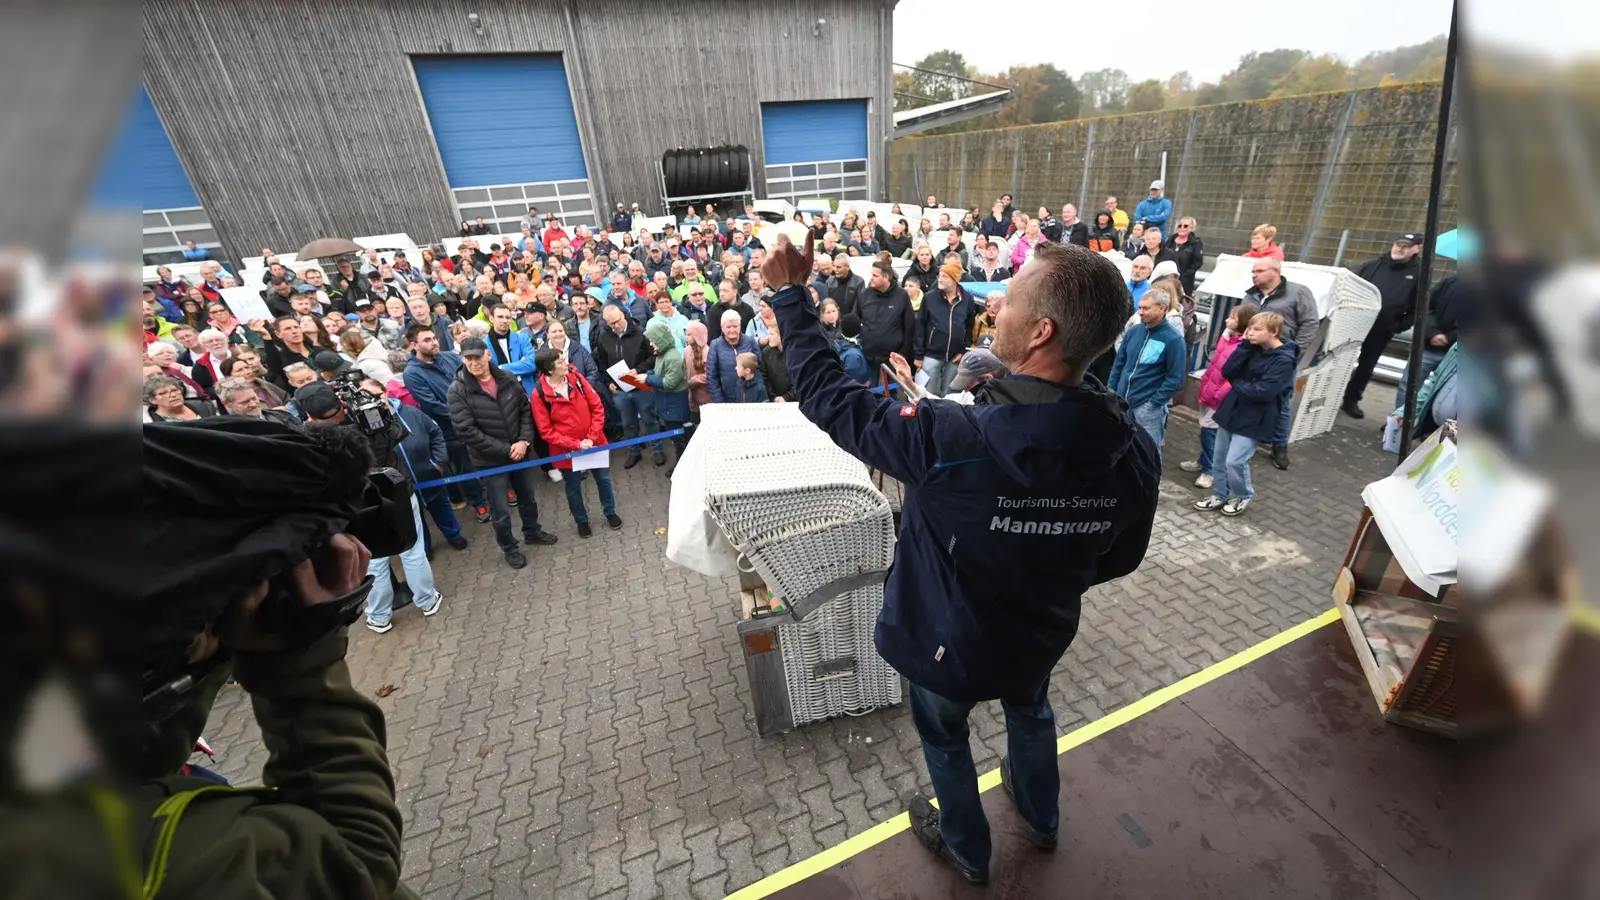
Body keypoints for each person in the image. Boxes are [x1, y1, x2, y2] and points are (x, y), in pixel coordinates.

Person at [762, 235, 1158, 886]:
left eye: (1007, 301)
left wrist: (788, 297)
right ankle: (1042, 818)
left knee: (946, 743)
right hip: (1038, 639)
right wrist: (1047, 569)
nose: (993, 307)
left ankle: (969, 853)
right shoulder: (1134, 448)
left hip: (947, 652)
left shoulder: (950, 437)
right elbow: (1123, 555)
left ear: (1040, 332)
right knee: (1031, 713)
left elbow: (831, 400)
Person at [293, 380, 443, 630]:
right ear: (339, 402)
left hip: (354, 503)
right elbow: (398, 433)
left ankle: (379, 615)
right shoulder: (365, 415)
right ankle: (427, 601)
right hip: (395, 490)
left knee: (373, 560)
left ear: (309, 415)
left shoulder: (307, 439)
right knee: (412, 551)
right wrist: (382, 410)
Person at [446, 337, 559, 569]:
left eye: (478, 356)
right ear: (462, 359)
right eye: (469, 358)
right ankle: (510, 548)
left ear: (487, 355)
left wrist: (524, 440)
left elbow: (525, 410)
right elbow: (467, 431)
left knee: (528, 498)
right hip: (490, 462)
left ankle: (532, 532)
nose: (474, 362)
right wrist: (507, 449)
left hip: (520, 452)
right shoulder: (457, 391)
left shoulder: (506, 378)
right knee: (500, 510)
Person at [1193, 312, 1298, 518]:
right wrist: (1245, 347)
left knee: (1235, 460)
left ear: (1274, 332)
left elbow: (1263, 391)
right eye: (1249, 328)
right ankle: (1220, 494)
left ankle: (1242, 495)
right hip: (1232, 410)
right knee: (1219, 457)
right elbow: (1228, 370)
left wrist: (1237, 383)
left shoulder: (1284, 360)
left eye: (1257, 329)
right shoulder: (1251, 348)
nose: (1250, 333)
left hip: (1255, 417)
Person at [529, 347, 623, 537]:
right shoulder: (539, 394)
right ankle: (581, 520)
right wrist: (576, 445)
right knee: (572, 487)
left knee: (603, 479)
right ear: (549, 370)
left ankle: (610, 512)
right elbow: (546, 431)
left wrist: (592, 436)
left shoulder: (577, 379)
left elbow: (597, 407)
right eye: (560, 362)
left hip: (594, 442)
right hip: (566, 450)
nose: (567, 363)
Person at [404, 324, 490, 523]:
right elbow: (432, 404)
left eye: (434, 338)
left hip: (477, 418)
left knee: (485, 455)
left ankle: (497, 491)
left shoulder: (450, 357)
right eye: (427, 340)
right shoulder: (412, 373)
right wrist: (465, 415)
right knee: (464, 467)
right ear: (414, 345)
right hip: (450, 430)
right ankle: (479, 503)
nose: (434, 342)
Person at [1243, 256, 1320, 469]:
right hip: (1253, 356)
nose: (1254, 275)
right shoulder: (1250, 295)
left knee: (1282, 402)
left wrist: (1294, 351)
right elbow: (1243, 320)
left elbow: (1310, 322)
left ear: (1275, 271)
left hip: (1281, 358)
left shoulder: (1298, 292)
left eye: (1259, 271)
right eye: (1253, 271)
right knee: (1251, 396)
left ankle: (1280, 446)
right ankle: (1248, 438)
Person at [1341, 232, 1424, 419]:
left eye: (1405, 246)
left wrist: (1397, 326)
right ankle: (1329, 395)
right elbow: (1349, 286)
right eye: (1398, 244)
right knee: (1340, 359)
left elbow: (1419, 307)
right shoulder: (1373, 265)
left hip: (1382, 329)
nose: (1399, 248)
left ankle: (1351, 400)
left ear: (1416, 249)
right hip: (1354, 323)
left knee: (1366, 366)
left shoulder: (1419, 275)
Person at [1179, 303, 1258, 490]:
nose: (1226, 320)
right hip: (1210, 392)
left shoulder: (1245, 348)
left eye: (1232, 317)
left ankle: (1210, 470)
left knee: (1210, 434)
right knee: (1206, 431)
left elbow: (1236, 376)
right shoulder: (1228, 338)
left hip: (1219, 399)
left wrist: (1218, 393)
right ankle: (1203, 461)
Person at [1108, 290, 1188, 461]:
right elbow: (1119, 364)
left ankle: (1150, 487)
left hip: (1147, 409)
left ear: (1162, 309)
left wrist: (1153, 404)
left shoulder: (1174, 340)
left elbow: (1175, 377)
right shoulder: (1134, 331)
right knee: (1120, 448)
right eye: (1140, 307)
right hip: (1122, 403)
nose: (1140, 312)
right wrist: (1112, 391)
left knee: (1148, 453)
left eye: (1146, 308)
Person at [591, 305, 663, 468]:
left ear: (624, 315)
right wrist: (608, 381)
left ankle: (657, 449)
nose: (615, 326)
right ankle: (633, 452)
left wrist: (639, 370)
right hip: (620, 387)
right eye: (611, 324)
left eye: (617, 321)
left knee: (649, 418)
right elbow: (602, 362)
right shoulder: (604, 337)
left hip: (640, 382)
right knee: (628, 422)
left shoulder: (640, 332)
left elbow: (653, 356)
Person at [1396, 272, 1459, 410]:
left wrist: (1450, 337)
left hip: (1457, 354)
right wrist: (1432, 333)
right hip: (1428, 347)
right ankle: (1398, 423)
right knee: (1409, 385)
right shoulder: (1449, 282)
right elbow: (1426, 307)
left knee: (1444, 394)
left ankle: (1422, 428)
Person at [918, 262, 976, 397]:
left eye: (945, 276)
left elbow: (969, 327)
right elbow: (920, 325)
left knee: (950, 395)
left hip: (955, 357)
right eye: (940, 275)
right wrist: (918, 355)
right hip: (931, 355)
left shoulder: (967, 299)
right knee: (926, 394)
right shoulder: (929, 297)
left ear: (954, 279)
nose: (940, 279)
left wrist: (963, 350)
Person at [642, 320, 692, 472]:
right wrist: (647, 374)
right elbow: (659, 374)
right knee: (676, 440)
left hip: (675, 405)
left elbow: (669, 383)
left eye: (653, 340)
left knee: (680, 440)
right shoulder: (662, 354)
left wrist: (647, 379)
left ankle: (683, 469)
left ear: (660, 340)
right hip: (668, 405)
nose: (651, 344)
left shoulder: (672, 357)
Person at [706, 307, 759, 403]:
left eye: (735, 326)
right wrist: (719, 401)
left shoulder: (750, 342)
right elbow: (711, 376)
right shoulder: (715, 345)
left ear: (740, 326)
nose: (732, 330)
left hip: (751, 397)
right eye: (728, 327)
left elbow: (760, 368)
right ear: (722, 328)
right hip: (726, 399)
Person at [215, 375, 301, 427]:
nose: (253, 404)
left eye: (254, 398)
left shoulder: (281, 416)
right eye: (245, 402)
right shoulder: (230, 432)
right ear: (227, 404)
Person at [144, 374, 216, 421]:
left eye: (174, 390)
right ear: (152, 400)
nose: (173, 395)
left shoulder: (205, 406)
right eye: (163, 393)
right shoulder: (152, 422)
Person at [1166, 217, 1204, 294]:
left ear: (1192, 228)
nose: (1182, 228)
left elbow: (1197, 263)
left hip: (1184, 282)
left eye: (1185, 226)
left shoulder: (1196, 243)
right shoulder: (1170, 240)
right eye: (1180, 226)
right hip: (1166, 279)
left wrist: (1184, 276)